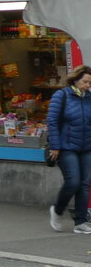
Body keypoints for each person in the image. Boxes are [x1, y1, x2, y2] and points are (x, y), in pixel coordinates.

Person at [46, 65, 91, 233]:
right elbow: (52, 121)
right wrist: (55, 147)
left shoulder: (89, 98)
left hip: (86, 147)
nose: (87, 85)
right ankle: (57, 211)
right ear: (75, 79)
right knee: (73, 182)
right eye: (85, 82)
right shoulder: (62, 95)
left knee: (84, 184)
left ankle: (80, 222)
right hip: (66, 147)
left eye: (90, 83)